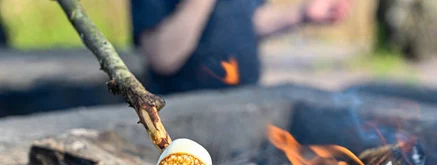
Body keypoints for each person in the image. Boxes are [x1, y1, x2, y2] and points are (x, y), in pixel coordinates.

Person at [131, 0, 353, 94]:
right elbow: (161, 56)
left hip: (246, 103)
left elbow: (251, 20)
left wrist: (301, 14)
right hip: (185, 115)